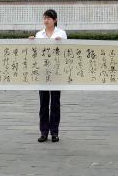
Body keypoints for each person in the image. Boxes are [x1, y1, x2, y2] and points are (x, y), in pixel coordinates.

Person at [29, 9, 67, 142]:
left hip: (56, 72)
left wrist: (61, 42)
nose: (46, 20)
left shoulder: (61, 33)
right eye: (44, 18)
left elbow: (66, 51)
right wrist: (31, 42)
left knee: (55, 103)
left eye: (49, 18)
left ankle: (54, 132)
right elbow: (35, 52)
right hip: (42, 72)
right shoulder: (39, 34)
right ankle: (44, 132)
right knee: (43, 103)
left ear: (55, 20)